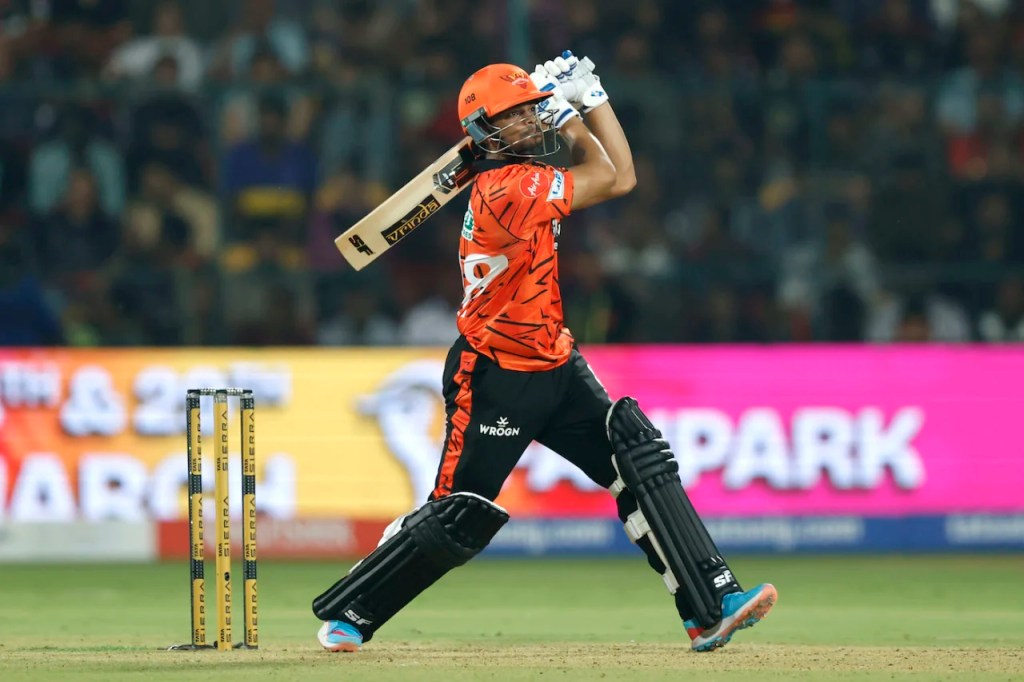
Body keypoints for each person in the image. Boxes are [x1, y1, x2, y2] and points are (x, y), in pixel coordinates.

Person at [312, 52, 776, 654]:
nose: (530, 121)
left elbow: (619, 176)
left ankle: (711, 605)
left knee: (637, 459)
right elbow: (614, 177)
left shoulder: (526, 176)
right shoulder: (509, 187)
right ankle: (353, 608)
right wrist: (578, 110)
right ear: (483, 132)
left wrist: (586, 101)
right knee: (459, 512)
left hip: (556, 362)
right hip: (495, 373)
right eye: (516, 115)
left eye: (532, 110)